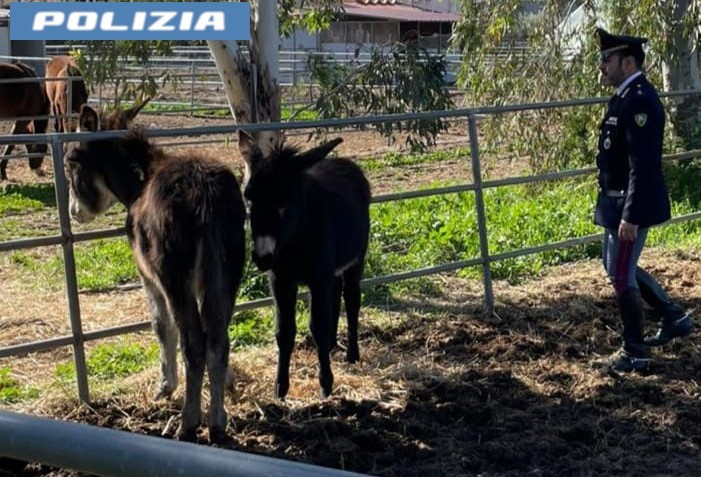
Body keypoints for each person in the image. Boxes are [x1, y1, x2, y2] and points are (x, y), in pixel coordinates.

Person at [593, 27, 693, 373]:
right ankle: (673, 315)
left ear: (629, 61)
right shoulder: (624, 96)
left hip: (627, 205)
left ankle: (635, 352)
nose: (601, 66)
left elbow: (643, 164)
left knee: (621, 276)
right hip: (615, 202)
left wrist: (630, 217)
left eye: (607, 59)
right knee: (617, 268)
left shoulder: (639, 100)